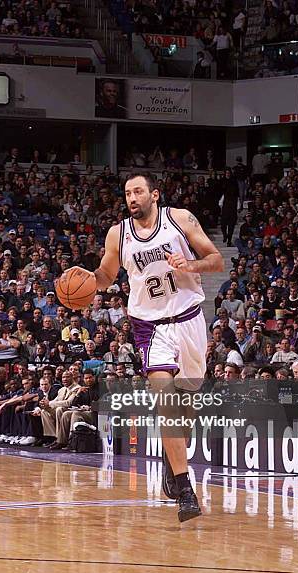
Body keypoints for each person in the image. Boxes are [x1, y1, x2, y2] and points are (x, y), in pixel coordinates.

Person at [92, 172, 224, 522]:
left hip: (189, 318)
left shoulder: (179, 219)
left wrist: (190, 264)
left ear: (154, 194)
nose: (131, 197)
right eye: (126, 193)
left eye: (137, 191)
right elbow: (106, 276)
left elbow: (216, 260)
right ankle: (185, 488)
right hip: (149, 326)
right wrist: (87, 281)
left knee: (188, 404)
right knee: (165, 399)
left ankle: (172, 459)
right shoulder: (118, 234)